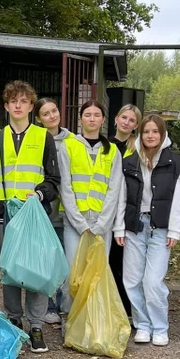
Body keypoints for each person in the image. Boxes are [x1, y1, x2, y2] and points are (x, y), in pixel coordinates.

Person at [0, 81, 60, 353]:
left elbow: (53, 179)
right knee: (9, 270)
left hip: (33, 215)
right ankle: (13, 319)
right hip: (4, 213)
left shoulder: (44, 137)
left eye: (24, 101)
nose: (18, 106)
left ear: (32, 106)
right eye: (13, 101)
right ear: (6, 106)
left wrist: (40, 194)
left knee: (35, 270)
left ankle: (37, 325)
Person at [116, 115, 180, 347]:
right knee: (131, 280)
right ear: (140, 134)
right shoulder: (129, 161)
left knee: (153, 281)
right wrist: (119, 227)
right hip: (135, 226)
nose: (150, 135)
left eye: (155, 132)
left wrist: (175, 230)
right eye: (146, 131)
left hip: (160, 228)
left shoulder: (176, 163)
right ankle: (143, 325)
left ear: (163, 134)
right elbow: (121, 197)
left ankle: (160, 326)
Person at [57, 99, 125, 318]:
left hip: (101, 224)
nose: (92, 119)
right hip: (75, 224)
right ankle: (70, 319)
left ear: (103, 120)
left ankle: (92, 321)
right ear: (80, 118)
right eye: (88, 115)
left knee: (96, 273)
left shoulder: (112, 150)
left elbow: (114, 189)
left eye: (97, 115)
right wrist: (79, 223)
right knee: (72, 273)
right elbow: (65, 186)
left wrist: (103, 223)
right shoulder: (69, 146)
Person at [34, 97, 71, 323]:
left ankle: (63, 304)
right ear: (38, 118)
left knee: (64, 260)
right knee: (46, 259)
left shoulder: (72, 141)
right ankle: (47, 307)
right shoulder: (36, 140)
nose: (51, 116)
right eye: (45, 113)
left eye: (54, 110)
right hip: (45, 209)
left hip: (66, 211)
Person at [110, 104, 141, 323]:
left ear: (136, 125)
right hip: (106, 210)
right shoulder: (105, 145)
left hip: (129, 211)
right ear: (115, 119)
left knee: (125, 265)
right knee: (109, 262)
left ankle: (127, 310)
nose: (126, 122)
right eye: (123, 117)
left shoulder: (138, 148)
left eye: (131, 120)